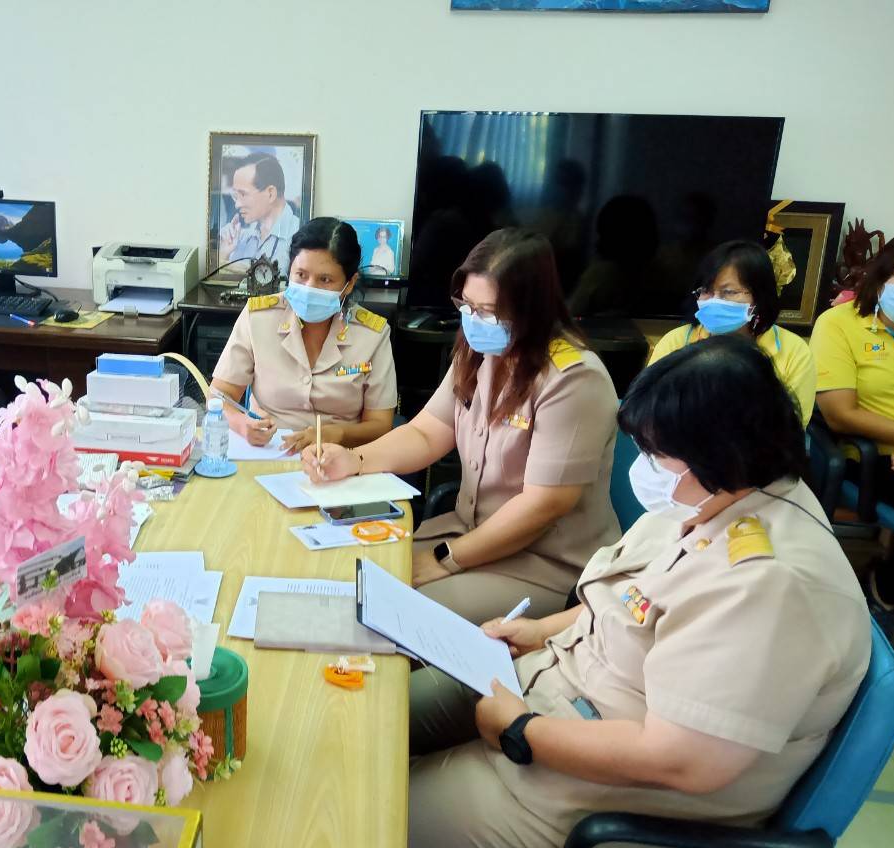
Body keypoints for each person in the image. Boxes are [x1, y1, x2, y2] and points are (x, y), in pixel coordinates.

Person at [405, 336, 870, 848]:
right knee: (385, 722)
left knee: (384, 815)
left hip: (613, 798)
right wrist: (544, 630)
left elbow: (683, 762)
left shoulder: (770, 584)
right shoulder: (721, 496)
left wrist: (520, 730)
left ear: (719, 452)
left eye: (658, 454)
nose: (645, 467)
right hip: (561, 691)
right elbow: (639, 601)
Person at [303, 228, 618, 625]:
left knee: (392, 613)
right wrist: (354, 460)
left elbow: (542, 506)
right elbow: (425, 433)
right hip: (468, 534)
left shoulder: (572, 379)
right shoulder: (481, 352)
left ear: (532, 310)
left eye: (488, 311)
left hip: (542, 562)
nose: (473, 321)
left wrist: (446, 560)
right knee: (350, 574)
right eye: (467, 305)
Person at [211, 217, 397, 453]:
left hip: (339, 456)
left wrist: (337, 434)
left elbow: (380, 425)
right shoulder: (258, 318)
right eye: (301, 275)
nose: (310, 288)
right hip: (269, 451)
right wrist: (242, 424)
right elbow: (219, 395)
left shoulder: (372, 335)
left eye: (325, 280)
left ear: (349, 284)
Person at [810, 233, 894, 607]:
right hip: (869, 457)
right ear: (881, 275)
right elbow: (839, 414)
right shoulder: (839, 324)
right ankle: (890, 583)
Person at [647, 240, 816, 425]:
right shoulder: (676, 341)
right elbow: (647, 412)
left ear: (759, 297)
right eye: (706, 291)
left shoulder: (793, 351)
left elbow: (791, 428)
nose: (714, 301)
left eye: (728, 292)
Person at [218, 152, 302, 275]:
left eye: (243, 194)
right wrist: (223, 254)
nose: (237, 205)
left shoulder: (299, 237)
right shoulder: (239, 238)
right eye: (235, 196)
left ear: (270, 194)